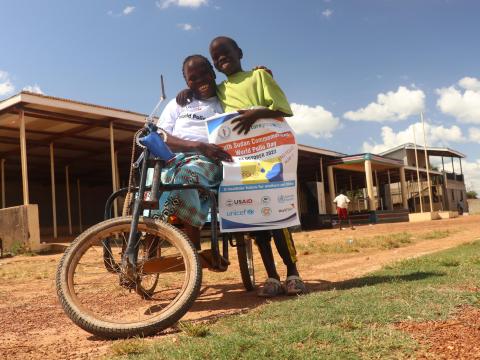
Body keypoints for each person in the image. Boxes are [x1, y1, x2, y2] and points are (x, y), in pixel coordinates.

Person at [207, 36, 307, 297]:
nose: (221, 59)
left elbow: (283, 108)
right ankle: (272, 277)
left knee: (279, 219)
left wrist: (257, 113)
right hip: (243, 164)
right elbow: (204, 98)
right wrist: (185, 93)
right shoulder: (219, 91)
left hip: (270, 159)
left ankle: (293, 273)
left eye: (225, 53)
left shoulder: (259, 78)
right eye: (216, 58)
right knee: (257, 222)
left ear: (239, 52)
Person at [154, 54, 233, 251]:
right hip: (174, 157)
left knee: (185, 177)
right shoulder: (178, 104)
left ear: (213, 73)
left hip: (209, 161)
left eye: (204, 73)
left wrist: (261, 73)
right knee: (151, 181)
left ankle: (193, 246)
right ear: (187, 82)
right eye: (193, 78)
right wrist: (196, 145)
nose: (200, 80)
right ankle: (150, 249)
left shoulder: (225, 101)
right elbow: (162, 136)